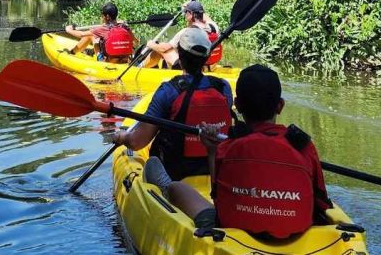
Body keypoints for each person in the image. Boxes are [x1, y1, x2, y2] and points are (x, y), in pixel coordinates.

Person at [142, 64, 332, 240]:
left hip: (234, 234)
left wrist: (211, 151)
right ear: (280, 106)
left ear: (237, 105)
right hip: (297, 237)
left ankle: (165, 188)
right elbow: (322, 203)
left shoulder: (229, 146)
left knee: (177, 187)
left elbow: (219, 199)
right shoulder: (303, 145)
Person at [108, 28, 233, 180]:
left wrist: (122, 137)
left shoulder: (168, 91)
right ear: (206, 58)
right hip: (215, 170)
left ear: (179, 55)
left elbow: (136, 142)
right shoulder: (223, 87)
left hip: (175, 174)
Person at [144, 0, 221, 69]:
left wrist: (151, 45)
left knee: (160, 48)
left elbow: (163, 49)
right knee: (177, 49)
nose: (185, 14)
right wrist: (192, 6)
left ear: (191, 14)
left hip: (190, 68)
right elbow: (205, 17)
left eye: (186, 12)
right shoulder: (213, 27)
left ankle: (142, 68)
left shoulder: (185, 32)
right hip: (209, 66)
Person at [63, 2, 135, 63]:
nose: (101, 18)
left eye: (102, 16)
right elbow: (136, 42)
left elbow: (81, 34)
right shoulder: (125, 26)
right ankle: (91, 51)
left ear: (107, 17)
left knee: (91, 36)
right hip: (125, 61)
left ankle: (72, 52)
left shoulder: (102, 29)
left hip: (107, 62)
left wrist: (69, 30)